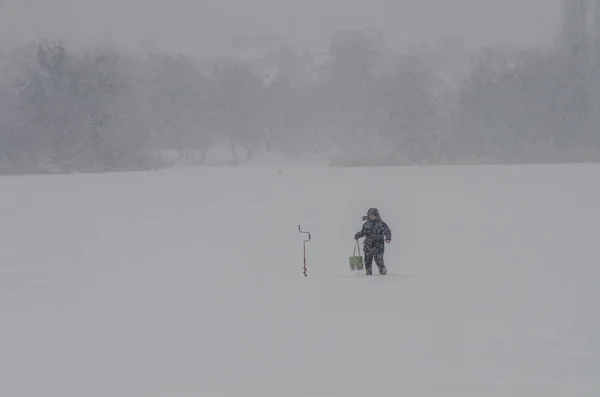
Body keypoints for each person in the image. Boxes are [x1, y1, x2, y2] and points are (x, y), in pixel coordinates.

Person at [354, 208, 391, 275]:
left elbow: (387, 231)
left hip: (378, 246)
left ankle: (383, 273)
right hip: (368, 245)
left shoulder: (381, 223)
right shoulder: (366, 224)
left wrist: (388, 238)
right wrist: (358, 235)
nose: (371, 216)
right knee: (367, 261)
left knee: (379, 260)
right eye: (370, 215)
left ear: (376, 215)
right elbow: (363, 232)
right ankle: (368, 274)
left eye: (373, 215)